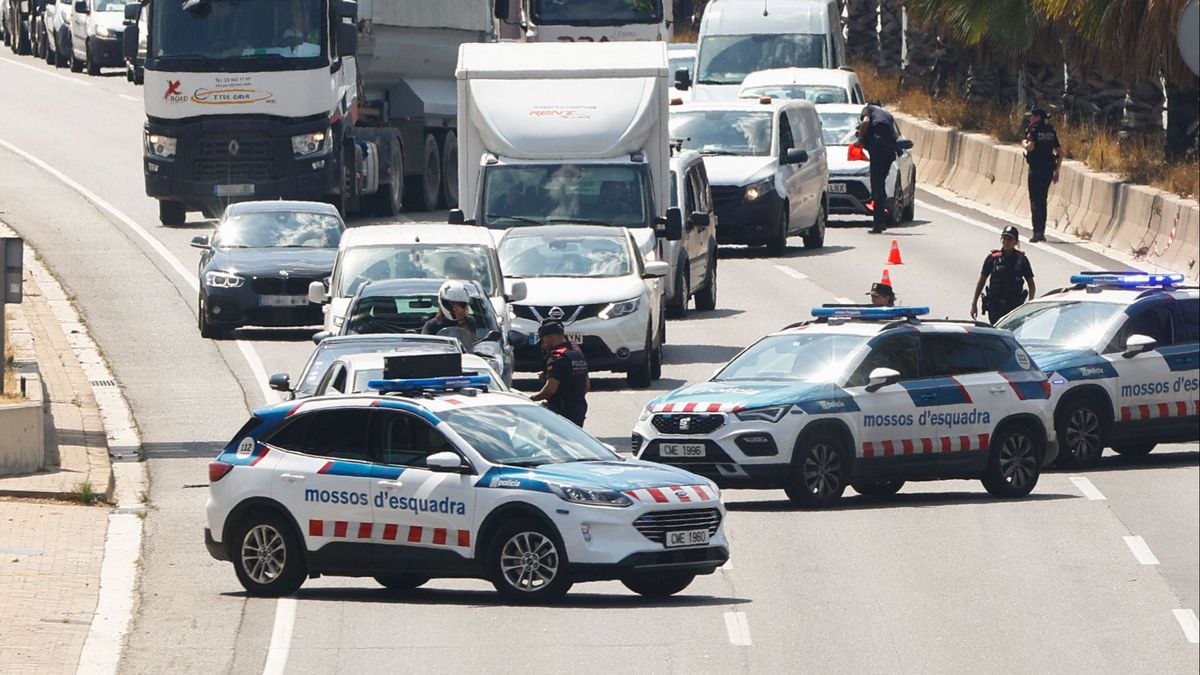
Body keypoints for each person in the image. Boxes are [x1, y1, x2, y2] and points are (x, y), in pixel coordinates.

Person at [970, 226, 1037, 325]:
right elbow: (981, 281)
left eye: (1009, 239)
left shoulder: (1022, 260)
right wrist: (974, 303)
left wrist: (1030, 305)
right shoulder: (992, 259)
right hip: (995, 306)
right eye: (1004, 239)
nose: (1006, 242)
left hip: (1014, 306)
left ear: (1015, 242)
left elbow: (1031, 284)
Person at [529, 320, 589, 427]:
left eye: (542, 341)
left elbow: (550, 389)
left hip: (561, 412)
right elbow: (586, 385)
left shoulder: (556, 358)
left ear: (550, 337)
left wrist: (532, 399)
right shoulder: (576, 353)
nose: (542, 346)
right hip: (579, 408)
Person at [855, 101, 898, 234]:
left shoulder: (868, 109)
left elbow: (866, 122)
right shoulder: (887, 114)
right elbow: (894, 136)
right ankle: (881, 220)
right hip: (890, 150)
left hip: (878, 147)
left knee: (877, 185)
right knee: (881, 184)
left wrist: (860, 139)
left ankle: (878, 223)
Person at [1021, 106, 1061, 243]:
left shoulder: (1033, 129)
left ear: (1038, 117)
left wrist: (1024, 143)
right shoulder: (1051, 131)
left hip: (1036, 169)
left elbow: (1031, 147)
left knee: (1035, 201)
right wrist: (1057, 171)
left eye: (1032, 116)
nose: (1030, 119)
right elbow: (1061, 152)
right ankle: (1042, 231)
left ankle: (1036, 232)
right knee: (1043, 200)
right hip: (1049, 170)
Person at [422, 280, 478, 348]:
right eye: (452, 304)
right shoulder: (432, 325)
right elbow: (427, 348)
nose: (455, 308)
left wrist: (462, 321)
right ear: (444, 303)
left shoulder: (469, 321)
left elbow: (473, 344)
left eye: (460, 304)